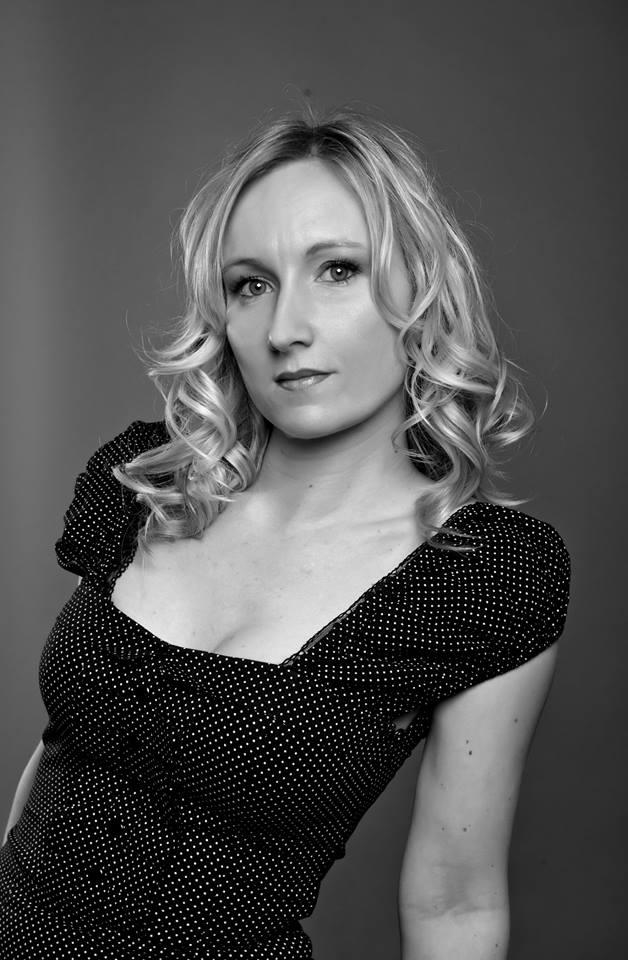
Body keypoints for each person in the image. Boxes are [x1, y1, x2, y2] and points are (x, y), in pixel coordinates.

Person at [0, 106, 570, 960]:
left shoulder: (485, 578)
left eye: (338, 269)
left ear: (421, 291)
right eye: (250, 285)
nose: (284, 330)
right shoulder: (149, 483)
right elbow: (57, 760)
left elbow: (455, 904)